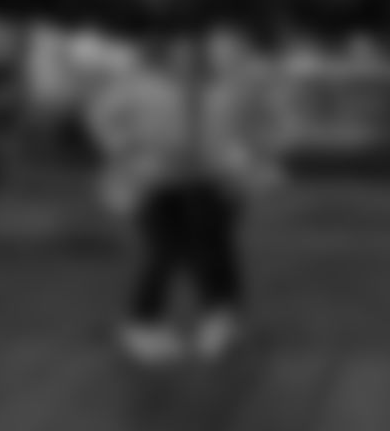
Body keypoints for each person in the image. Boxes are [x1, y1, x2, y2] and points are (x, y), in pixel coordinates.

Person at [87, 36, 285, 366]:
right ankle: (143, 321)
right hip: (155, 182)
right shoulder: (137, 84)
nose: (192, 54)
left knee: (216, 247)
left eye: (199, 48)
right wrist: (130, 151)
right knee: (165, 249)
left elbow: (265, 121)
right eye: (182, 47)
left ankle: (221, 318)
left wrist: (250, 157)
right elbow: (103, 119)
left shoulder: (232, 84)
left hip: (216, 180)